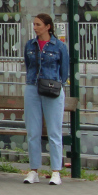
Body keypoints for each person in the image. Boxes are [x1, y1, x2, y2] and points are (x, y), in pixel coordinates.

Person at [23, 12, 69, 185]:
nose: (35, 28)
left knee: (54, 131)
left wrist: (56, 83)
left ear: (48, 26)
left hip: (52, 88)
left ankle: (56, 171)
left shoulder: (59, 46)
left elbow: (64, 71)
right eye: (34, 24)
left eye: (38, 25)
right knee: (33, 132)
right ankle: (33, 170)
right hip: (33, 87)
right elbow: (29, 65)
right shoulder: (30, 45)